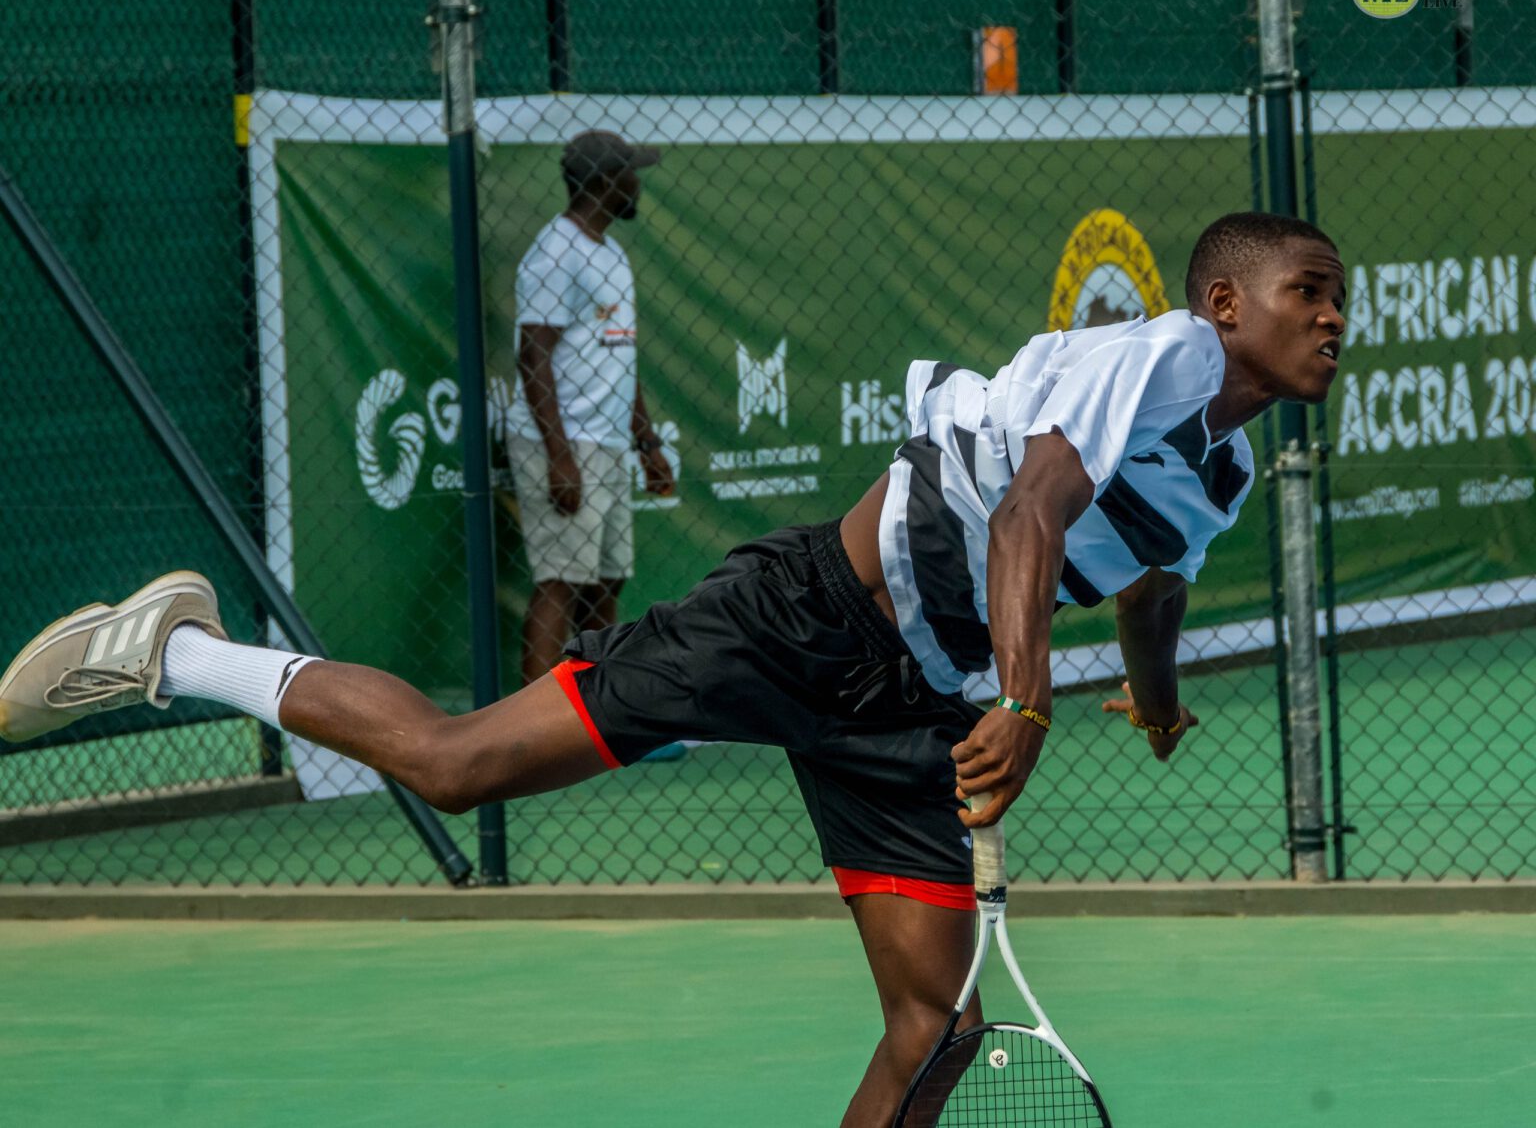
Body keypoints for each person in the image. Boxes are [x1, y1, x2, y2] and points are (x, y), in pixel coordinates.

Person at [0, 212, 1345, 1126]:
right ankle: (172, 645)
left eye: (1340, 299)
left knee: (933, 1027)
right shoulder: (1159, 354)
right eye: (1309, 295)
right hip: (804, 615)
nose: (1334, 319)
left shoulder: (1227, 459)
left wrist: (1152, 693)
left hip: (907, 705)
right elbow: (1028, 513)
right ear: (1225, 303)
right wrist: (1029, 701)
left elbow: (1146, 571)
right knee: (459, 766)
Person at [499, 129, 676, 687]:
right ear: (605, 182)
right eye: (631, 173)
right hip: (565, 441)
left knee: (605, 582)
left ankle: (596, 716)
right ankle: (528, 733)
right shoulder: (555, 254)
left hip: (606, 443)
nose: (637, 184)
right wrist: (559, 457)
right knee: (560, 581)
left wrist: (647, 444)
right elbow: (533, 356)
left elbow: (620, 358)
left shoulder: (611, 252)